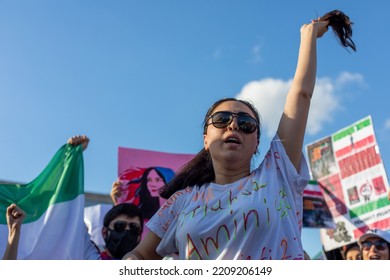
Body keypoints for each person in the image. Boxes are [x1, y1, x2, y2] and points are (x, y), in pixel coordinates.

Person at [122, 11, 355, 260]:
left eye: (246, 124)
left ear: (256, 144)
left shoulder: (277, 175)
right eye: (222, 120)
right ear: (205, 139)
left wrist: (308, 36)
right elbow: (141, 257)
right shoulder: (182, 201)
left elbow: (301, 96)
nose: (233, 126)